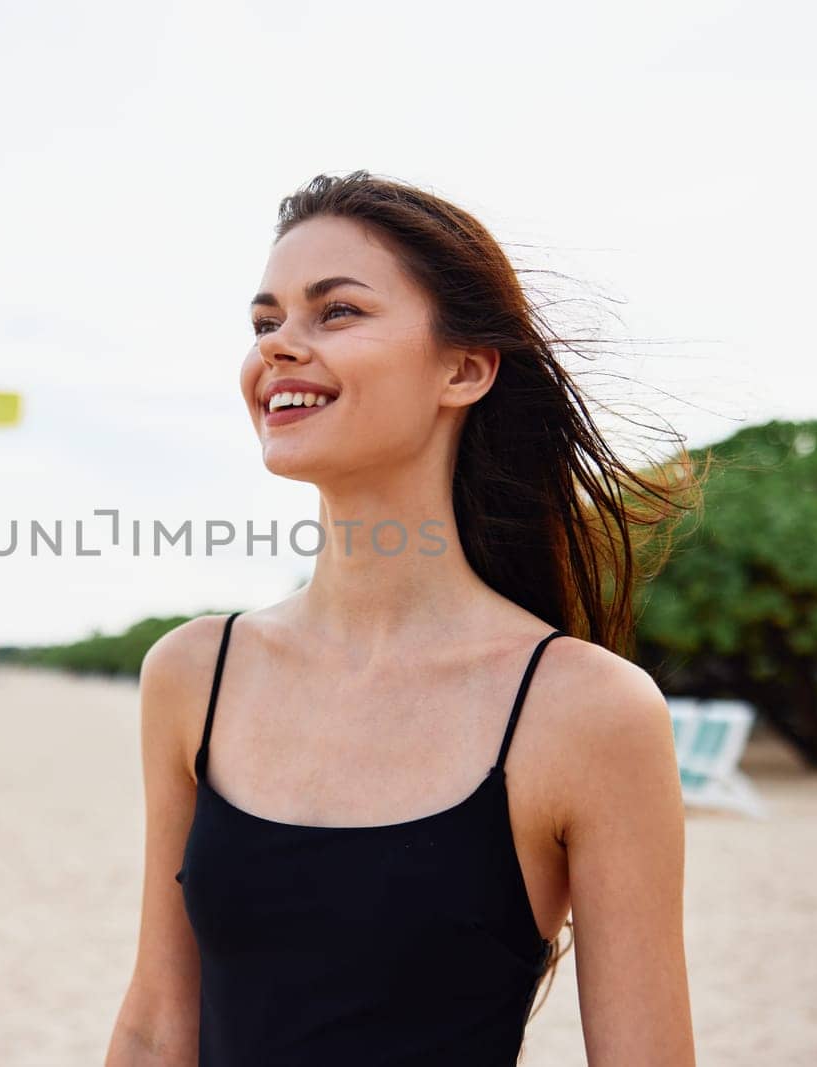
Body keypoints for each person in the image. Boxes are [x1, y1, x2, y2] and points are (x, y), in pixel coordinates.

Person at [106, 172, 700, 1065]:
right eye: (265, 323)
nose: (279, 348)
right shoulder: (194, 673)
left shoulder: (589, 711)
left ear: (463, 369)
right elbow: (157, 1027)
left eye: (335, 312)